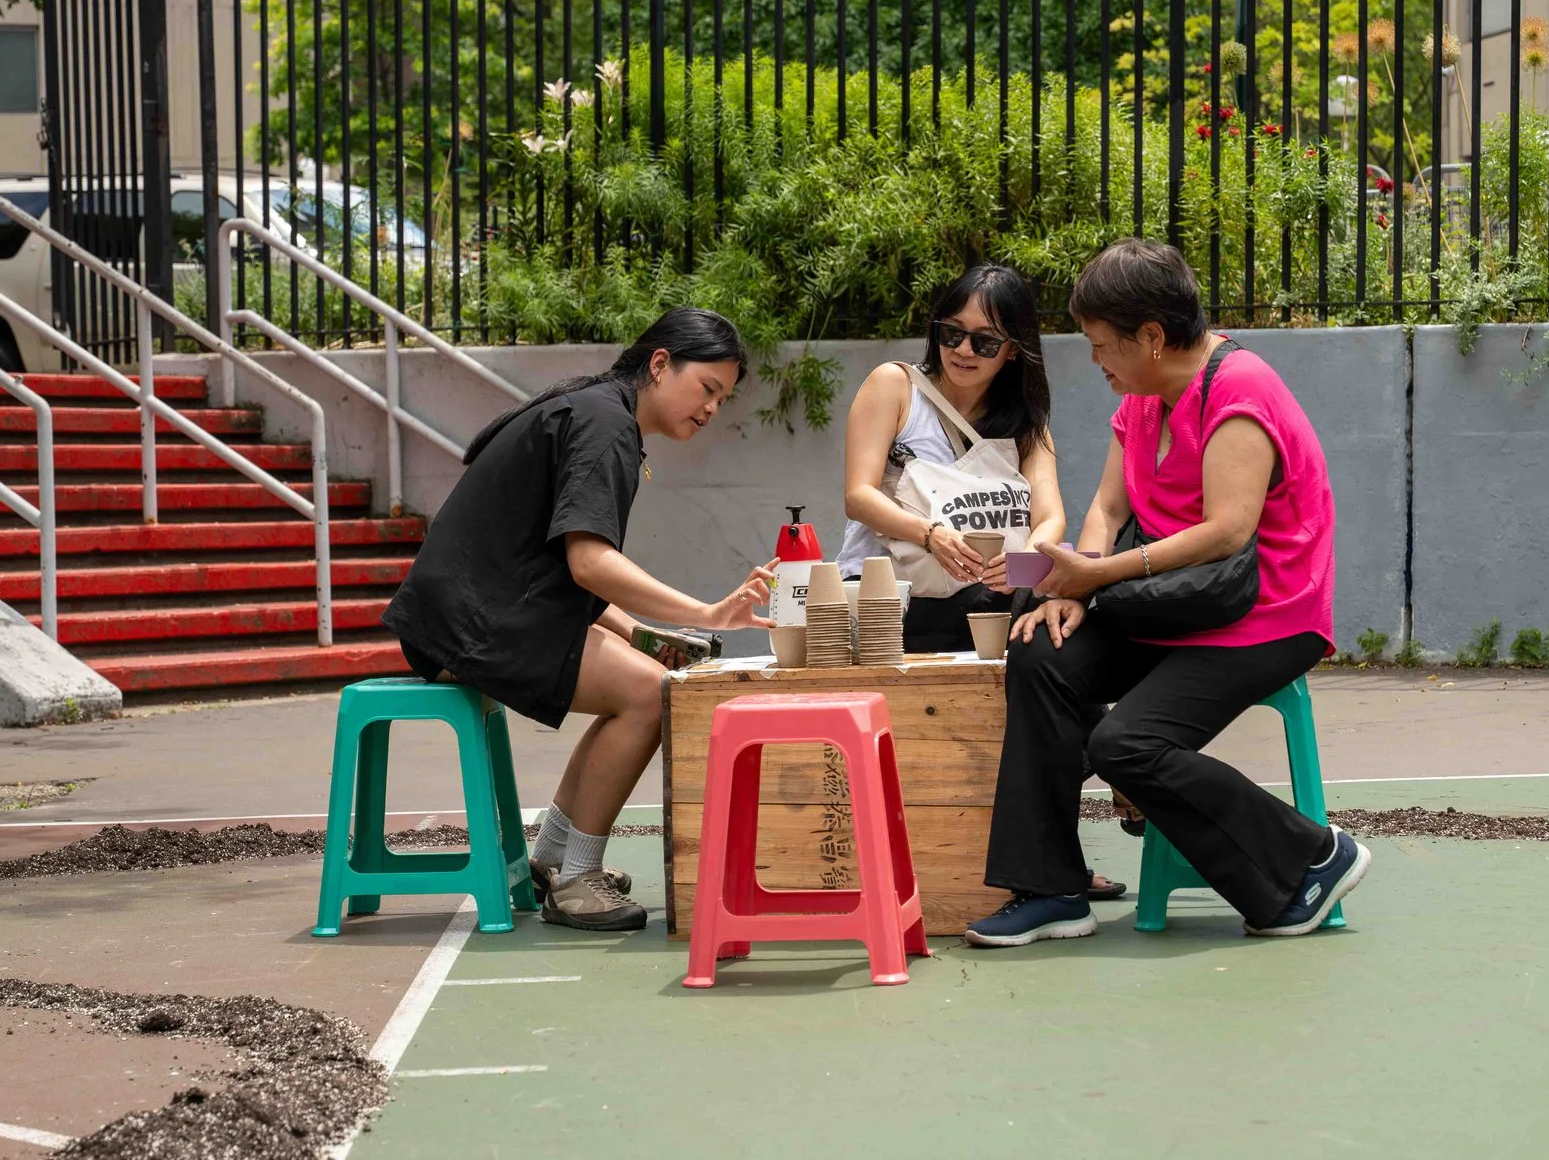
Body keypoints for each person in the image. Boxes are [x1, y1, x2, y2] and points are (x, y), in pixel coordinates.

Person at [964, 239, 1370, 947]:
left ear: (1151, 336)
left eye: (1101, 345)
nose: (1095, 361)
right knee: (1040, 651)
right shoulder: (1144, 399)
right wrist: (1073, 585)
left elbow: (1226, 530)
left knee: (1126, 742)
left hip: (1266, 614)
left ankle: (1311, 857)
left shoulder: (1241, 387)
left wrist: (1101, 576)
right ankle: (1053, 887)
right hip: (1180, 604)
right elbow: (1108, 509)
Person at [381, 308, 774, 933]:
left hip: (471, 613)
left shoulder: (598, 410)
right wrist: (706, 611)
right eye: (707, 390)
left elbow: (571, 575)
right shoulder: (606, 425)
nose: (711, 411)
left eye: (722, 400)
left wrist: (646, 636)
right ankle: (578, 881)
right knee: (651, 694)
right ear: (661, 363)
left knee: (641, 679)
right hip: (473, 624)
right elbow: (590, 563)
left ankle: (554, 859)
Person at [839, 263, 1065, 651]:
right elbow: (858, 495)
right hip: (892, 600)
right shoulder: (895, 386)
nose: (963, 350)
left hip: (981, 601)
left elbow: (1049, 518)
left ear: (1013, 351)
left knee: (1048, 619)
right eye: (952, 333)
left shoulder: (1027, 426)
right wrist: (931, 536)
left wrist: (1022, 563)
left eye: (985, 342)